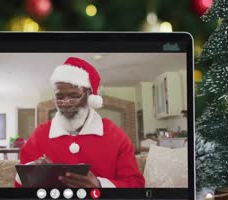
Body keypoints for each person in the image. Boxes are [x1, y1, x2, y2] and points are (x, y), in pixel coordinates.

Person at [14, 57, 145, 188]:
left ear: (90, 96)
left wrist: (99, 185)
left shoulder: (116, 136)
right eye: (59, 97)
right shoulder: (40, 135)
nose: (65, 104)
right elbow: (19, 186)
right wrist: (30, 174)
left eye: (73, 96)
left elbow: (136, 185)